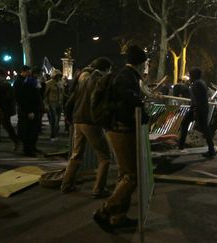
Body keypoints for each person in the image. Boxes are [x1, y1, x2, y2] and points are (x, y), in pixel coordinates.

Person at [93, 45, 147, 229]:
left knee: (125, 174)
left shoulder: (122, 74)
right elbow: (128, 102)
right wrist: (142, 108)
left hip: (118, 128)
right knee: (131, 176)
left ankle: (119, 217)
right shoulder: (126, 77)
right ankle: (105, 211)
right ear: (142, 62)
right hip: (121, 130)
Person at [61, 57, 113, 198]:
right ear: (105, 69)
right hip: (90, 121)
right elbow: (95, 100)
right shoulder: (96, 80)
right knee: (105, 156)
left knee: (76, 154)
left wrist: (69, 116)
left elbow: (72, 98)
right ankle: (99, 189)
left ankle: (66, 184)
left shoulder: (81, 77)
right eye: (109, 70)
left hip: (78, 120)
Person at [178, 67, 216, 158]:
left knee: (202, 128)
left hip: (198, 109)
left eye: (190, 74)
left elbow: (197, 99)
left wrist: (195, 110)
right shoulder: (199, 83)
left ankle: (211, 150)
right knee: (202, 128)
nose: (189, 76)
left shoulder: (197, 84)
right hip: (200, 108)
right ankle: (181, 145)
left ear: (194, 75)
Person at [17, 67, 44, 157]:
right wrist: (29, 111)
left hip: (36, 110)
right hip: (31, 111)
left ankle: (32, 148)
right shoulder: (29, 82)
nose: (41, 76)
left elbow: (39, 96)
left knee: (34, 131)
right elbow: (27, 98)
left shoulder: (34, 82)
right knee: (29, 132)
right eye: (40, 74)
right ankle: (28, 150)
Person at [0, 67, 20, 151]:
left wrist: (0, 107)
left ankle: (16, 141)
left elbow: (8, 98)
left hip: (4, 110)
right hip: (0, 109)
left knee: (7, 126)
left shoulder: (5, 84)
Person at [44, 69, 64, 141]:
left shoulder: (61, 83)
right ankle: (53, 135)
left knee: (57, 120)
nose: (58, 77)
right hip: (52, 103)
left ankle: (55, 133)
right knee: (53, 120)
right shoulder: (48, 83)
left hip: (59, 103)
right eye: (57, 75)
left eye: (59, 75)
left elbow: (62, 93)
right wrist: (46, 104)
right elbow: (45, 95)